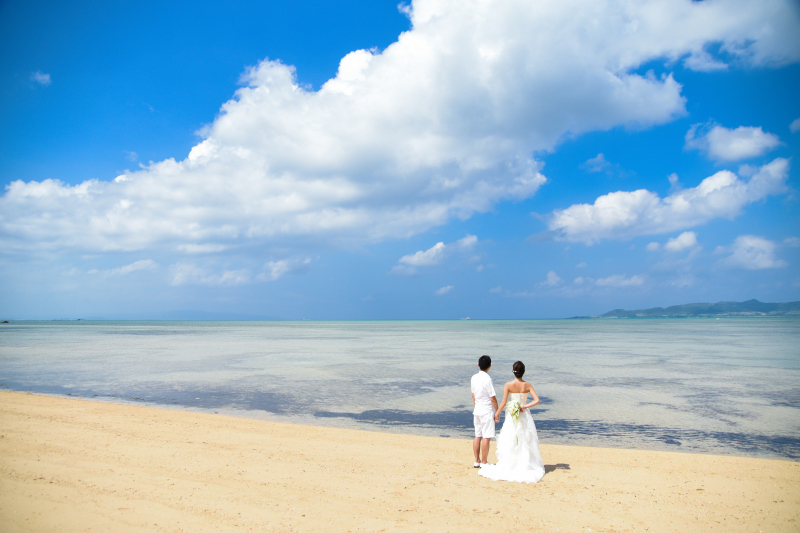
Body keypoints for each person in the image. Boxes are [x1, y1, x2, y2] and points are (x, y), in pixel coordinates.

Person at [479, 360, 545, 483]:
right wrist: (525, 406)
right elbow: (537, 400)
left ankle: (511, 463)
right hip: (524, 415)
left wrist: (497, 413)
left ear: (513, 372)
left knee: (511, 437)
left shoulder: (508, 385)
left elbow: (504, 402)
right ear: (523, 372)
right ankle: (525, 463)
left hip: (511, 414)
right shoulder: (527, 385)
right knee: (525, 438)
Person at [471, 355, 498, 468]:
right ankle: (484, 462)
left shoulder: (474, 377)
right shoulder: (488, 379)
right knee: (486, 437)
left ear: (478, 365)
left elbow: (473, 394)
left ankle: (477, 460)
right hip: (486, 411)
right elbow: (492, 398)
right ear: (489, 367)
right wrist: (497, 411)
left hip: (477, 410)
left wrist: (476, 404)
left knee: (478, 436)